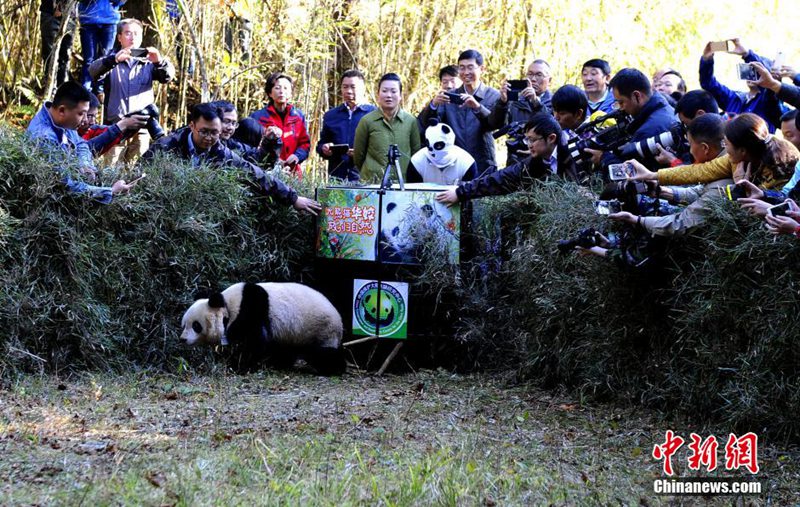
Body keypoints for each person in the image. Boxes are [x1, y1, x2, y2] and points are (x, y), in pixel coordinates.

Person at [617, 113, 799, 236]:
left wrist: (740, 186)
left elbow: (761, 210)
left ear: (742, 150)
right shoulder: (738, 158)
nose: (724, 149)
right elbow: (699, 171)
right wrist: (653, 176)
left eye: (726, 145)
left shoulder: (780, 167)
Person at [143, 103, 321, 214]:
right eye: (204, 131)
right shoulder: (167, 146)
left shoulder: (220, 150)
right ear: (192, 126)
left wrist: (293, 198)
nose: (208, 138)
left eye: (214, 133)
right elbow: (140, 174)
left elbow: (254, 173)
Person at [25, 82, 137, 203]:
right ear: (62, 110)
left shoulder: (61, 120)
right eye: (81, 113)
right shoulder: (43, 138)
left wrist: (85, 164)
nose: (84, 119)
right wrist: (111, 191)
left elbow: (81, 144)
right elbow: (65, 185)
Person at [435, 113, 577, 205]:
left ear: (551, 138)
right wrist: (461, 192)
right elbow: (501, 178)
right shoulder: (533, 162)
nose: (529, 145)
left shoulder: (575, 156)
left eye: (532, 140)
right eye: (527, 139)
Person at [89, 18, 175, 165]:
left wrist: (159, 62)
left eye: (136, 33)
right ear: (119, 37)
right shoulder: (112, 60)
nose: (132, 37)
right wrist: (113, 60)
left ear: (141, 37)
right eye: (128, 33)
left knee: (136, 172)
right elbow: (93, 71)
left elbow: (167, 77)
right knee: (110, 170)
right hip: (115, 127)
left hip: (142, 128)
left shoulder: (149, 62)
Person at [418, 49, 501, 176]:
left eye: (470, 67)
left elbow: (495, 125)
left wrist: (477, 107)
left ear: (482, 69)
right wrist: (433, 105)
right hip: (454, 162)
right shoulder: (450, 96)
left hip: (483, 162)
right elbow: (427, 125)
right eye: (462, 68)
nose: (466, 72)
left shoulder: (493, 95)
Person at [588, 67, 675, 168]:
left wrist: (603, 158)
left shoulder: (648, 131)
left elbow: (634, 174)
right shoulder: (664, 109)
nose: (620, 108)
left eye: (621, 102)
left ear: (637, 96)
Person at [699, 38, 784, 132]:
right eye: (749, 70)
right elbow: (708, 84)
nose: (751, 76)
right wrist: (707, 60)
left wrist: (747, 54)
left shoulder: (770, 102)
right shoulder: (734, 99)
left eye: (756, 72)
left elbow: (769, 87)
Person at [352, 73, 420, 183]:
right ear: (378, 94)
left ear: (400, 95)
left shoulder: (410, 121)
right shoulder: (367, 121)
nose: (389, 95)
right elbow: (358, 156)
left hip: (402, 183)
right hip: (372, 184)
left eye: (393, 91)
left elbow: (416, 154)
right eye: (384, 91)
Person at [488, 59, 553, 165]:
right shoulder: (516, 101)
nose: (533, 79)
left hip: (544, 163)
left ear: (549, 81)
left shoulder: (555, 102)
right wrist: (502, 102)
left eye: (539, 75)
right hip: (516, 161)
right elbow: (495, 124)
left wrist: (535, 102)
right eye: (530, 74)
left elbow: (551, 126)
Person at [316, 69, 376, 181]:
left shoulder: (374, 114)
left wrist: (360, 153)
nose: (348, 91)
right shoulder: (331, 115)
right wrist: (324, 149)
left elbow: (380, 149)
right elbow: (320, 144)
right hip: (336, 177)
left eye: (353, 87)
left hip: (365, 178)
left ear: (363, 89)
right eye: (345, 87)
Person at [249, 72, 310, 178]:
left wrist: (297, 156)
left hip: (293, 173)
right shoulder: (258, 117)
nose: (282, 91)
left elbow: (305, 144)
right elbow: (252, 147)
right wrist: (274, 160)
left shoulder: (298, 116)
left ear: (291, 93)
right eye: (277, 88)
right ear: (269, 93)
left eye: (286, 88)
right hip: (267, 173)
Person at [78, 0, 126, 98]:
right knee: (89, 58)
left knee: (106, 57)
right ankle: (85, 91)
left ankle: (100, 90)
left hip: (110, 20)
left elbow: (121, 1)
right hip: (88, 19)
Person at [78, 92, 149, 156]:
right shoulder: (69, 135)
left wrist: (129, 125)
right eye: (89, 116)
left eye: (94, 116)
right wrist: (122, 125)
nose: (92, 122)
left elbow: (108, 132)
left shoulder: (90, 129)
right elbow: (83, 151)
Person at [407, 120, 476, 185]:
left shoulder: (466, 163)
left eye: (438, 145)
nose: (432, 150)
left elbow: (470, 193)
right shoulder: (417, 161)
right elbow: (411, 193)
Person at [209, 100, 276, 165]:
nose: (230, 127)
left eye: (233, 123)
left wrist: (269, 140)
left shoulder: (231, 144)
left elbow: (259, 159)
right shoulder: (203, 143)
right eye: (226, 121)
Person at [40, 0, 76, 89]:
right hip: (49, 14)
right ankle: (50, 89)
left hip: (69, 15)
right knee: (50, 55)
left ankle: (63, 90)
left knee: (65, 56)